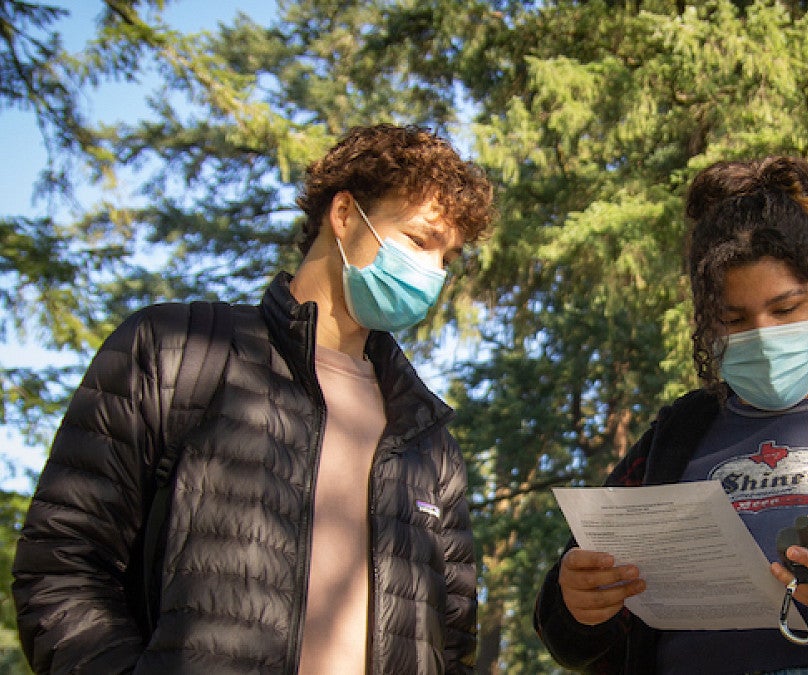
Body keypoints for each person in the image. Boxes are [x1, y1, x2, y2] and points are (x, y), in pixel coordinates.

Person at [11, 123, 494, 674]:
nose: (431, 273)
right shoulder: (176, 350)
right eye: (418, 240)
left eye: (447, 259)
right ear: (343, 215)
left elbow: (452, 646)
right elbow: (61, 565)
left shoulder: (427, 441)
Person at [534, 156, 808, 675]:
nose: (761, 333)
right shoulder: (674, 440)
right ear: (706, 326)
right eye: (733, 318)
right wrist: (577, 601)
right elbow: (573, 627)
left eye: (785, 310)